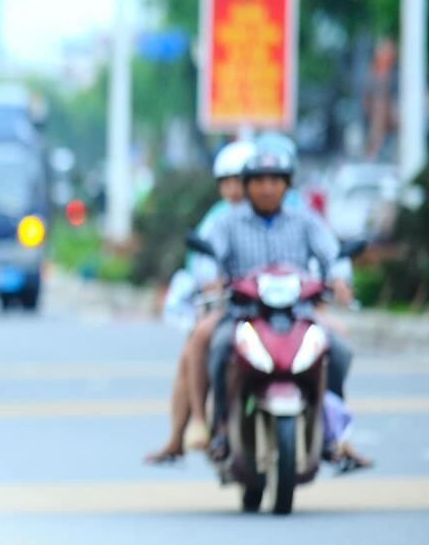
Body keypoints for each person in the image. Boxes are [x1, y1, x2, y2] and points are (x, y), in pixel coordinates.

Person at [202, 142, 366, 467]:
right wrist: (211, 281)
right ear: (247, 185)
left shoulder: (305, 221)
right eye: (259, 180)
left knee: (338, 351)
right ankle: (221, 428)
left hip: (297, 318)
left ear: (286, 185)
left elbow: (333, 256)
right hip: (245, 317)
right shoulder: (227, 223)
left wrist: (340, 280)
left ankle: (330, 430)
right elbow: (209, 261)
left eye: (275, 180)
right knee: (220, 347)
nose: (267, 188)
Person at [145, 140, 251, 463]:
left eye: (240, 181)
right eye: (227, 182)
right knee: (196, 346)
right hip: (230, 306)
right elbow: (202, 265)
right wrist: (212, 285)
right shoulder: (218, 221)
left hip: (279, 307)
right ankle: (188, 432)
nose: (235, 190)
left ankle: (334, 435)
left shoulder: (288, 214)